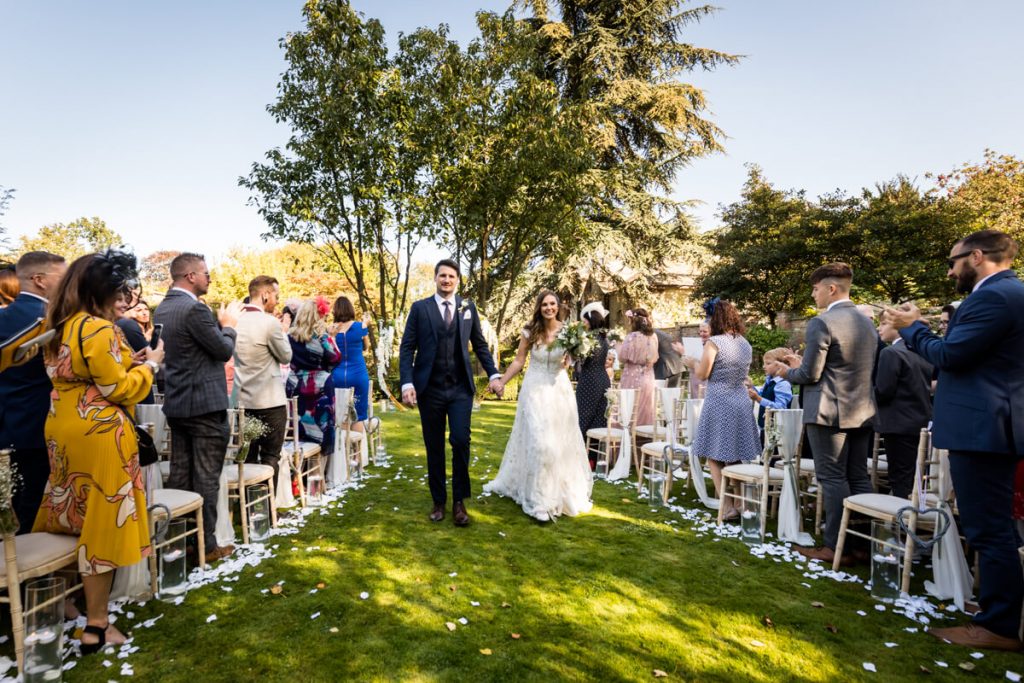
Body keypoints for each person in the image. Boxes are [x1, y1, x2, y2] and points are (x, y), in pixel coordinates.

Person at [887, 229, 1024, 651]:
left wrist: (912, 329)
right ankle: (996, 608)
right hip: (992, 425)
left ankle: (999, 625)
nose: (950, 271)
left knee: (988, 528)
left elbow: (950, 355)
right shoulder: (1009, 293)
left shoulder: (994, 297)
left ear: (977, 256)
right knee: (993, 525)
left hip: (984, 428)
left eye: (954, 261)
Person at [35, 250, 160, 652]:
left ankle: (67, 602)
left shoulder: (57, 326)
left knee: (72, 513)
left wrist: (130, 361)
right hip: (101, 433)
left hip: (62, 428)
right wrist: (151, 365)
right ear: (103, 292)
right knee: (102, 525)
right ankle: (98, 625)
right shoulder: (99, 328)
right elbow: (118, 389)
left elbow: (86, 373)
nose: (122, 298)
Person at [765, 263, 877, 565]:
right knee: (858, 477)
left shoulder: (823, 322)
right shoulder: (868, 323)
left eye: (815, 289)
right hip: (863, 410)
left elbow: (811, 374)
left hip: (828, 411)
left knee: (832, 478)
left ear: (831, 288)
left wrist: (787, 370)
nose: (813, 295)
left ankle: (832, 546)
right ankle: (862, 546)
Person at [154, 253, 242, 564]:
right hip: (204, 406)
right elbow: (222, 350)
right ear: (190, 276)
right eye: (205, 273)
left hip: (178, 405)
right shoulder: (195, 309)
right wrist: (228, 326)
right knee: (205, 477)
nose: (209, 278)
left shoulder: (162, 307)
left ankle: (178, 544)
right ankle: (207, 546)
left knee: (181, 477)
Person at [399, 259, 501, 526]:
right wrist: (407, 383)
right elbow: (407, 347)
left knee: (460, 440)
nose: (447, 280)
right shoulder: (420, 309)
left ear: (458, 280)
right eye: (442, 275)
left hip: (459, 389)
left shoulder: (467, 308)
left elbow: (479, 344)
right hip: (429, 389)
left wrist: (493, 373)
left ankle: (459, 502)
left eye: (451, 276)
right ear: (435, 278)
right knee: (434, 446)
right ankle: (438, 501)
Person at [484, 290, 593, 521]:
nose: (549, 308)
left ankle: (558, 492)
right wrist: (501, 381)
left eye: (552, 304)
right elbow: (519, 360)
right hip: (534, 390)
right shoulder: (530, 331)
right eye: (544, 304)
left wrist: (570, 359)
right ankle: (539, 501)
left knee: (558, 444)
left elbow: (573, 359)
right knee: (540, 443)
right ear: (539, 307)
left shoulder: (569, 331)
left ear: (558, 306)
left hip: (559, 390)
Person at [0, 251, 66, 532]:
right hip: (38, 425)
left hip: (7, 424)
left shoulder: (5, 317)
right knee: (34, 507)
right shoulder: (51, 320)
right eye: (63, 278)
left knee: (10, 504)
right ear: (39, 280)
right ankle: (33, 573)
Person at [683, 298, 761, 516]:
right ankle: (741, 504)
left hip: (719, 398)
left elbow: (702, 373)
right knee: (734, 454)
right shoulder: (744, 343)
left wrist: (691, 363)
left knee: (712, 454)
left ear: (715, 319)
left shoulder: (714, 342)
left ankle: (726, 507)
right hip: (740, 399)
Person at [234, 275, 292, 481]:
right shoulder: (269, 323)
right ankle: (267, 511)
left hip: (241, 401)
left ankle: (244, 507)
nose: (277, 301)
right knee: (270, 457)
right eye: (276, 295)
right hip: (269, 403)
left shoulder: (233, 320)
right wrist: (283, 331)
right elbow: (286, 356)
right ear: (266, 295)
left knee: (245, 457)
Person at [874, 311, 933, 499]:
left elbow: (883, 391)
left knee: (900, 478)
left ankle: (902, 524)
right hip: (921, 420)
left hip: (898, 423)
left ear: (898, 328)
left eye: (883, 324)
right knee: (916, 476)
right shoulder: (921, 352)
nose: (879, 328)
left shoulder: (891, 353)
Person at [287, 300, 341, 452]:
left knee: (299, 430)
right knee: (323, 430)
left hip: (296, 385)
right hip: (321, 387)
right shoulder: (322, 337)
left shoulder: (290, 336)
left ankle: (300, 470)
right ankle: (319, 473)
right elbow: (335, 358)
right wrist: (332, 338)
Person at [574, 301, 611, 456]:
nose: (583, 324)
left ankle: (578, 454)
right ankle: (594, 456)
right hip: (602, 379)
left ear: (591, 321)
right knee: (598, 417)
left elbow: (583, 359)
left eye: (584, 321)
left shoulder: (589, 339)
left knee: (583, 415)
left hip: (590, 380)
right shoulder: (604, 338)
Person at [330, 296, 371, 433]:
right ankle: (357, 454)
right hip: (358, 376)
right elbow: (366, 347)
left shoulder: (331, 330)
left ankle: (343, 452)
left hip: (338, 377)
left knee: (341, 416)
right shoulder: (360, 326)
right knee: (358, 417)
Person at [617, 308, 659, 427]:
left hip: (632, 375)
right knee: (645, 407)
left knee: (630, 407)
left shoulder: (632, 336)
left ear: (633, 321)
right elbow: (654, 357)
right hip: (648, 376)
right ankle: (642, 440)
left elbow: (622, 357)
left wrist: (617, 346)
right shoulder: (654, 336)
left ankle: (628, 437)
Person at [748, 346, 794, 441]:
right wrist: (751, 386)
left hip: (777, 432)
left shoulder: (783, 384)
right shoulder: (770, 381)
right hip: (766, 427)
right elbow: (762, 395)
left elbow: (781, 407)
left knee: (772, 455)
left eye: (768, 363)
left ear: (780, 365)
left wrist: (758, 399)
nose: (763, 366)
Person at [654, 322, 685, 388]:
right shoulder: (657, 332)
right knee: (670, 394)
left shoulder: (651, 334)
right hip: (675, 366)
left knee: (664, 394)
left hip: (666, 368)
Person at [688, 321, 711, 398]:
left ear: (711, 332)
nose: (702, 334)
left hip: (705, 379)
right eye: (700, 331)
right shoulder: (696, 344)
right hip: (694, 377)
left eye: (705, 332)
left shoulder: (712, 345)